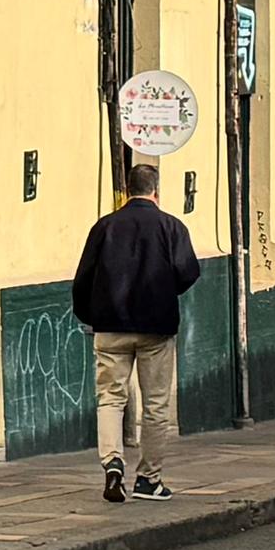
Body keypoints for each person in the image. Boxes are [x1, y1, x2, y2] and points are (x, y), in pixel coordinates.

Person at [72, 157, 198, 502]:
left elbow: (83, 278)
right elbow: (188, 273)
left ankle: (113, 463)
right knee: (155, 404)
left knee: (110, 399)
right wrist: (162, 293)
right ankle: (149, 479)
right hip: (155, 327)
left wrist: (90, 315)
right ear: (156, 191)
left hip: (109, 326)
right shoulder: (172, 227)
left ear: (128, 190)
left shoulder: (104, 226)